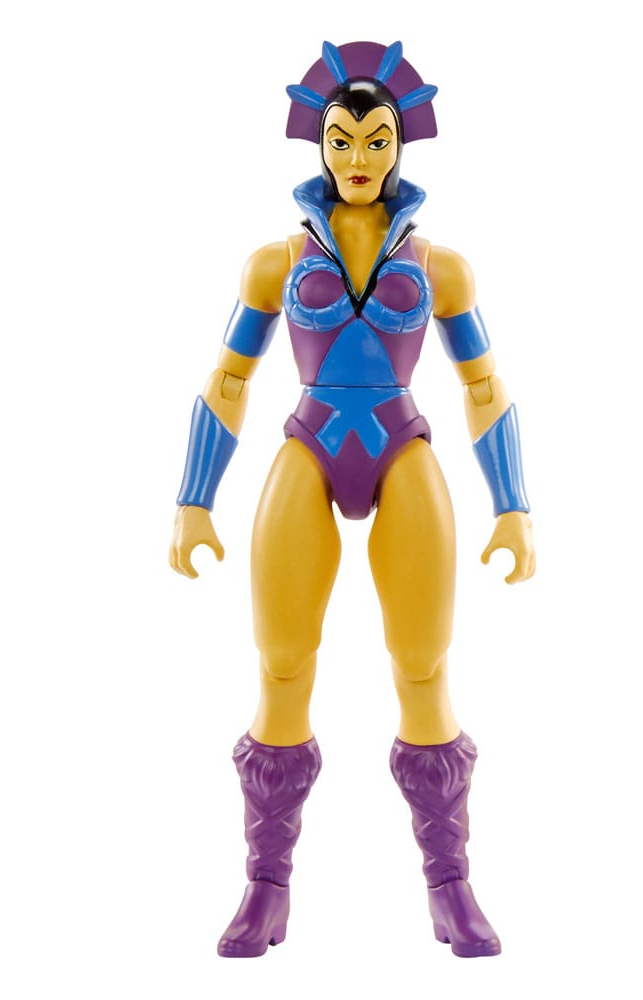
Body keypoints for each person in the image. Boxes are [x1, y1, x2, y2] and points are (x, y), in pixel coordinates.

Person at [169, 41, 535, 958]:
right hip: (310, 445)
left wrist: (514, 503)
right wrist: (193, 497)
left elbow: (484, 386)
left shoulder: (443, 267)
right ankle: (266, 887)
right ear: (320, 146)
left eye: (375, 140)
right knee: (282, 664)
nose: (359, 157)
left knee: (423, 666)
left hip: (403, 449)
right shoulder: (276, 263)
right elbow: (229, 378)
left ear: (400, 146)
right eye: (342, 140)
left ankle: (450, 885)